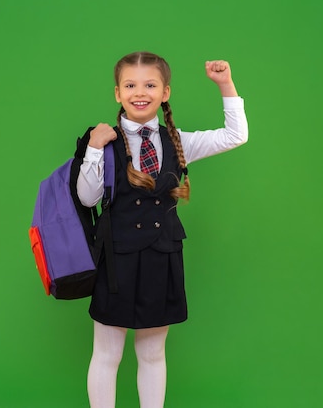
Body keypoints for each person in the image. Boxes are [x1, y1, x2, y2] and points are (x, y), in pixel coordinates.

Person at [76, 51, 248, 408]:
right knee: (107, 355)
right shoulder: (102, 143)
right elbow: (88, 197)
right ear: (117, 93)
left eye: (150, 84)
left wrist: (225, 85)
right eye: (131, 85)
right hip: (117, 261)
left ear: (165, 92)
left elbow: (236, 135)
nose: (141, 92)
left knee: (153, 353)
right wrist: (93, 147)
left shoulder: (178, 141)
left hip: (162, 255)